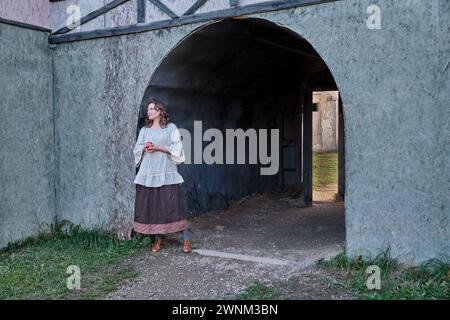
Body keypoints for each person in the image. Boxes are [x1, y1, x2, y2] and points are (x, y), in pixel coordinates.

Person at [132, 98, 191, 253]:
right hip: (149, 173)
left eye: (152, 109)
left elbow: (177, 147)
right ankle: (158, 240)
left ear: (160, 111)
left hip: (166, 172)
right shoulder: (145, 130)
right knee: (154, 207)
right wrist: (145, 148)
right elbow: (137, 148)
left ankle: (186, 239)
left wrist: (159, 148)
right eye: (148, 109)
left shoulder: (170, 128)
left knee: (173, 206)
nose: (149, 111)